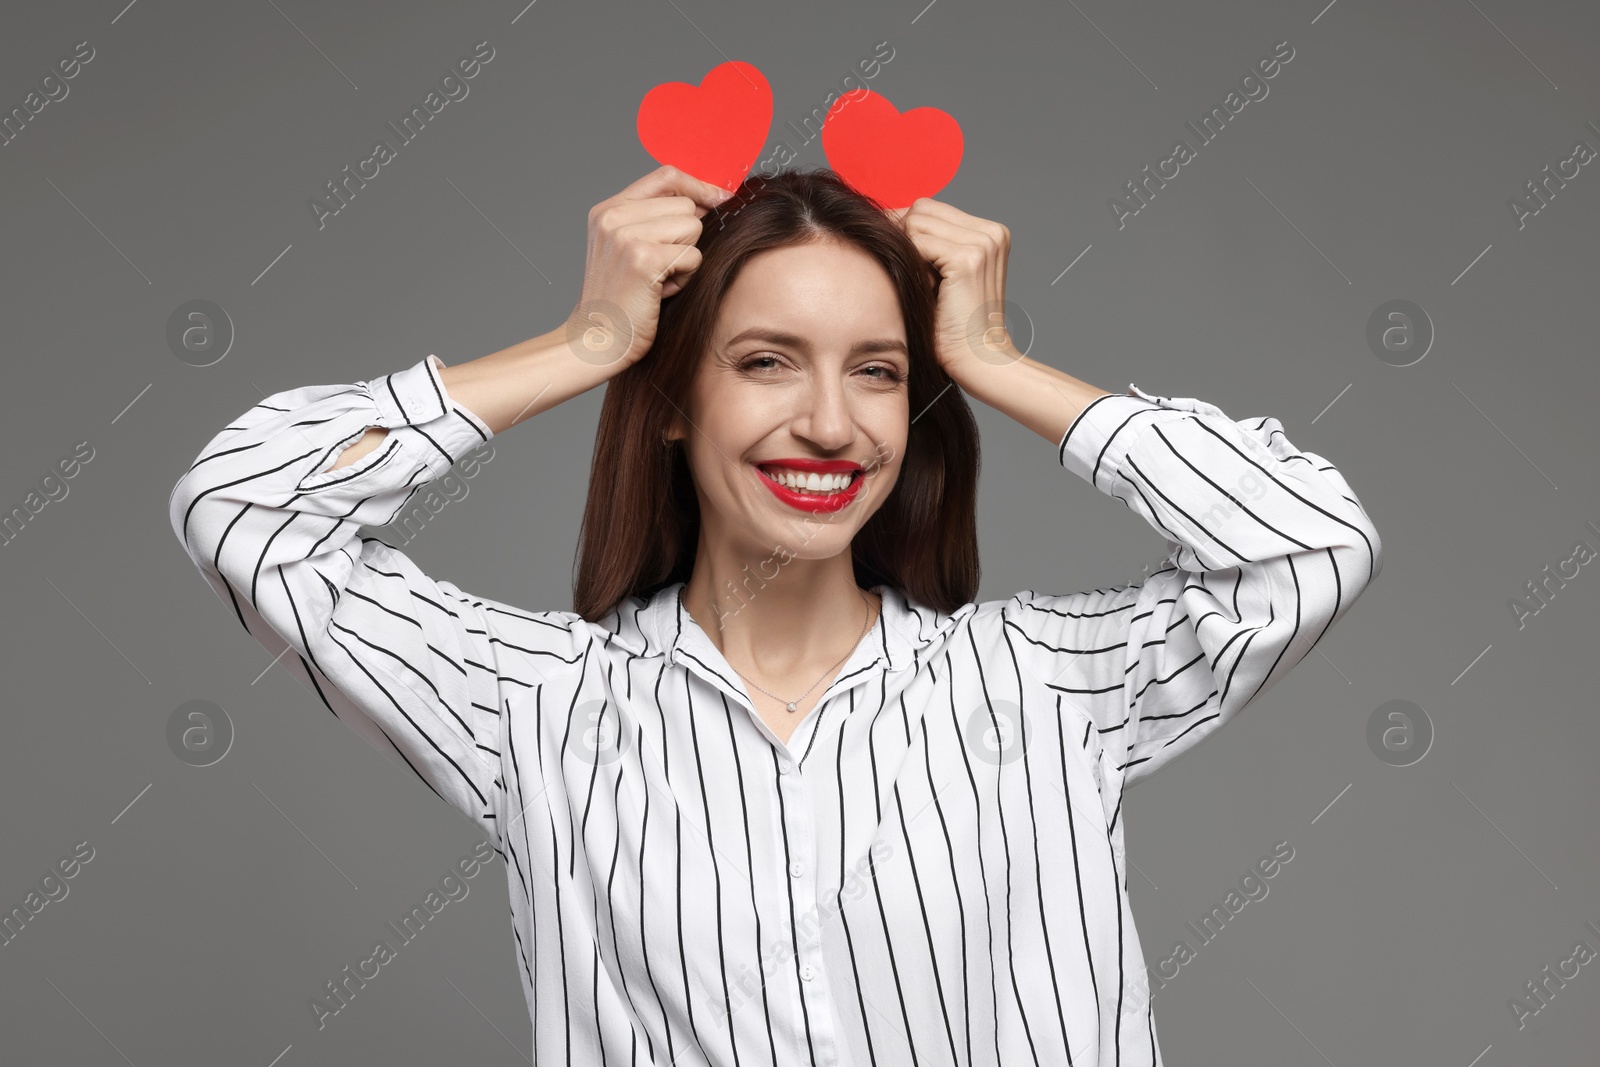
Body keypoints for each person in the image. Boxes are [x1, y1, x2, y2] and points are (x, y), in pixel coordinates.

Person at [168, 164, 1382, 1066]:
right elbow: (246, 507)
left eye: (878, 369)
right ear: (673, 402)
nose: (829, 424)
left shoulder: (1039, 684)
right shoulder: (537, 706)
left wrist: (997, 361)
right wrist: (585, 339)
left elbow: (1304, 546)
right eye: (763, 361)